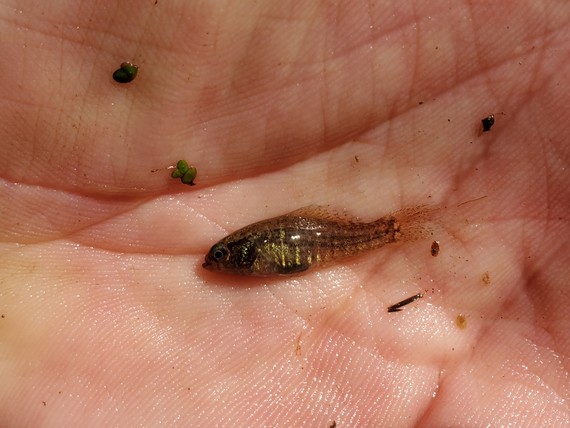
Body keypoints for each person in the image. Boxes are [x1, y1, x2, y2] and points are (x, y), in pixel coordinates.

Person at [0, 1, 568, 426]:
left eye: (223, 255)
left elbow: (287, 248)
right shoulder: (252, 254)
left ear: (240, 255)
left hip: (316, 237)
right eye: (222, 255)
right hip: (311, 239)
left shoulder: (253, 252)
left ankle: (397, 230)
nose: (220, 260)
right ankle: (398, 231)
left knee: (372, 234)